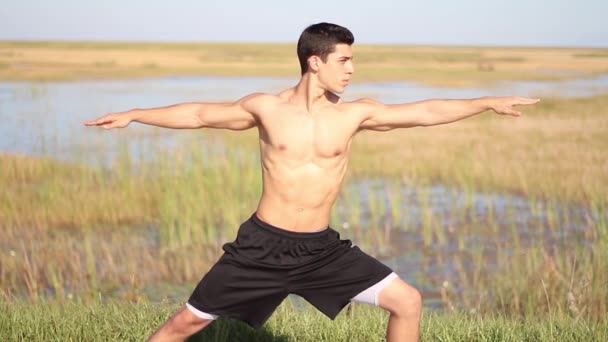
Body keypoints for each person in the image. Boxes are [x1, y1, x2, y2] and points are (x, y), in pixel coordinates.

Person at [85, 22, 539, 342]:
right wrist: (135, 114)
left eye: (353, 61)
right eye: (344, 60)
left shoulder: (354, 114)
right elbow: (200, 114)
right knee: (186, 323)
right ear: (314, 61)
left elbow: (423, 112)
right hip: (261, 248)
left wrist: (485, 101)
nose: (352, 70)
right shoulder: (266, 107)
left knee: (408, 301)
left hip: (321, 250)